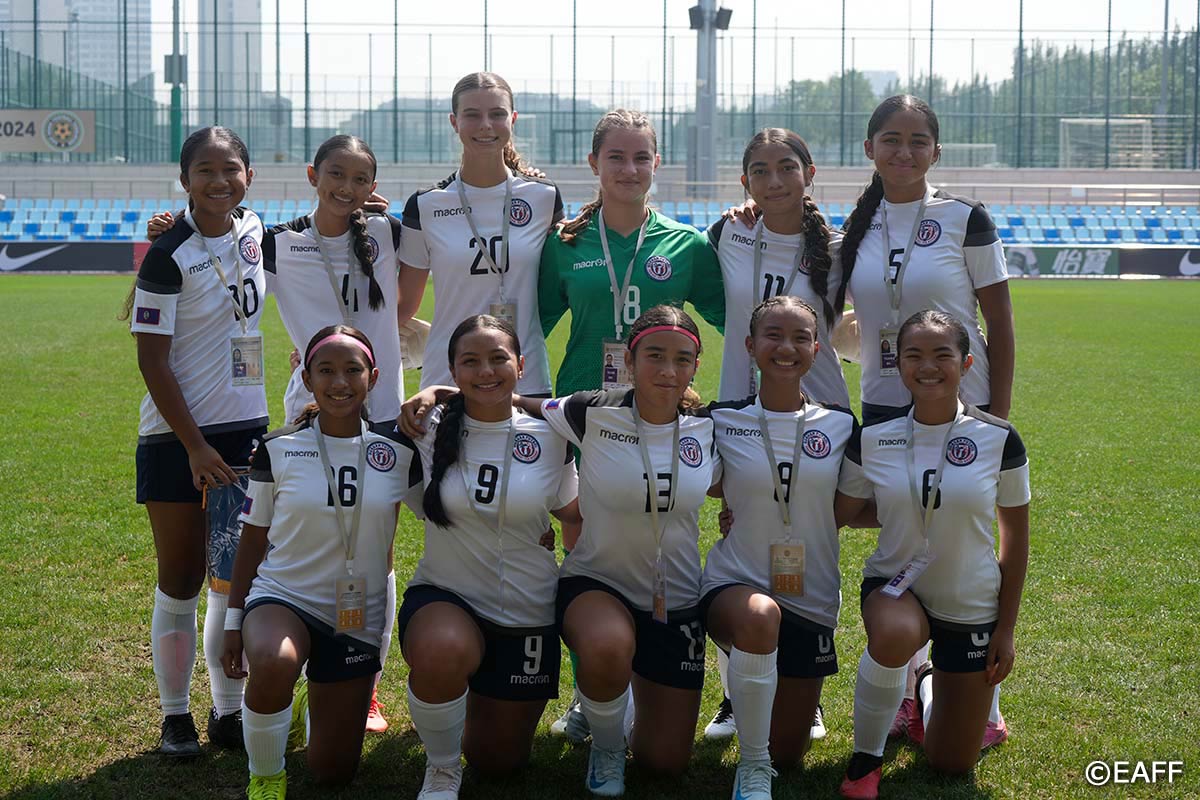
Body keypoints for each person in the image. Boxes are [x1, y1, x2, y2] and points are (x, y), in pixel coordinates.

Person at [147, 133, 409, 731]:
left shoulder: (390, 232)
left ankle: (363, 684)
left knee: (376, 550)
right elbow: (213, 232)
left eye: (359, 179)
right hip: (307, 415)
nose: (346, 188)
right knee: (302, 541)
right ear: (312, 176)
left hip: (382, 412)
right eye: (335, 175)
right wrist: (172, 224)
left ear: (373, 186)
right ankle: (273, 673)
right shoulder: (277, 240)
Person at [536, 108, 726, 738]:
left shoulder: (687, 245)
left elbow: (738, 321)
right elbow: (529, 328)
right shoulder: (564, 243)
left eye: (641, 156)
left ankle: (648, 676)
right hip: (585, 416)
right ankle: (590, 694)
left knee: (653, 532)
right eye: (615, 157)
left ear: (656, 163)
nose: (629, 168)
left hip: (661, 414)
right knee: (583, 538)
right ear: (594, 163)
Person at [838, 94, 1016, 746]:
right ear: (870, 149)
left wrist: (997, 416)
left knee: (964, 538)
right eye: (891, 138)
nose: (904, 151)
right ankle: (912, 687)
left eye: (918, 140)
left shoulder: (965, 218)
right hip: (887, 408)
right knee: (906, 539)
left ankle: (984, 699)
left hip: (962, 406)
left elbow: (1000, 323)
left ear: (936, 151)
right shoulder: (853, 229)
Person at [834, 310, 1030, 800]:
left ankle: (925, 683)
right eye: (913, 355)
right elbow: (843, 513)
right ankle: (866, 760)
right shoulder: (873, 438)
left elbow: (1015, 540)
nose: (927, 366)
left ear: (966, 363)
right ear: (898, 364)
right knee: (896, 632)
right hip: (895, 585)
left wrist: (1005, 630)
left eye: (942, 355)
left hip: (970, 601)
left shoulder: (999, 438)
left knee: (950, 763)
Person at [221, 325, 422, 800]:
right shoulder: (277, 448)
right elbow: (252, 539)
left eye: (353, 370)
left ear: (373, 377)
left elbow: (447, 509)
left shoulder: (396, 452)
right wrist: (233, 620)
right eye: (326, 371)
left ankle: (301, 705)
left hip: (354, 614)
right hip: (283, 597)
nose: (340, 382)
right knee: (274, 661)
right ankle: (266, 777)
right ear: (306, 378)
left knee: (333, 772)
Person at [123, 126, 268, 758]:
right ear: (184, 180)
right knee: (181, 578)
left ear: (248, 176)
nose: (219, 180)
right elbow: (151, 361)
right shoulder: (166, 254)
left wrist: (363, 205)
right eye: (204, 170)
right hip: (176, 437)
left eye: (230, 168)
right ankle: (174, 715)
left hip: (245, 431)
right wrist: (193, 447)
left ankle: (228, 711)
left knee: (233, 580)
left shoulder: (255, 230)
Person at [538, 305, 721, 796]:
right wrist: (439, 393)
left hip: (674, 598)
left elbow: (743, 481)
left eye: (681, 359)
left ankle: (618, 703)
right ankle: (606, 745)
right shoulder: (589, 410)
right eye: (654, 355)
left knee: (664, 763)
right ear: (629, 359)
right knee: (607, 644)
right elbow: (520, 405)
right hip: (597, 582)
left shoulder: (708, 426)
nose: (668, 370)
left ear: (695, 366)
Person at [703, 127, 848, 744]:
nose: (774, 180)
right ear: (745, 182)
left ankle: (804, 692)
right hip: (741, 407)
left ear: (809, 174)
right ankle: (735, 692)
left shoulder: (839, 248)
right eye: (760, 171)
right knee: (741, 532)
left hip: (819, 410)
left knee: (808, 536)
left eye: (787, 167)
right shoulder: (728, 233)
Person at [397, 314, 580, 800]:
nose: (485, 372)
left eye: (498, 359)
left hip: (527, 609)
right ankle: (441, 769)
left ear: (521, 365)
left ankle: (470, 699)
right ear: (453, 370)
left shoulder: (551, 434)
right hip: (447, 595)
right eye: (470, 361)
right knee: (442, 650)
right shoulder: (424, 428)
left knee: (499, 762)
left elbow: (572, 511)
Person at [702, 296, 862, 799]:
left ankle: (760, 718)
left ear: (818, 349)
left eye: (800, 338)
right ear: (750, 346)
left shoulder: (841, 425)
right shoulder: (720, 420)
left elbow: (857, 506)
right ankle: (752, 766)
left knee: (789, 754)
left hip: (810, 598)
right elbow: (688, 476)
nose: (786, 347)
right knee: (759, 617)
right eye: (773, 335)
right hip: (736, 585)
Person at [397, 71, 563, 398]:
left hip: (525, 379)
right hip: (446, 379)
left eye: (497, 114)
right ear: (454, 122)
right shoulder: (425, 205)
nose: (485, 125)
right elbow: (403, 306)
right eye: (472, 115)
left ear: (513, 119)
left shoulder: (543, 197)